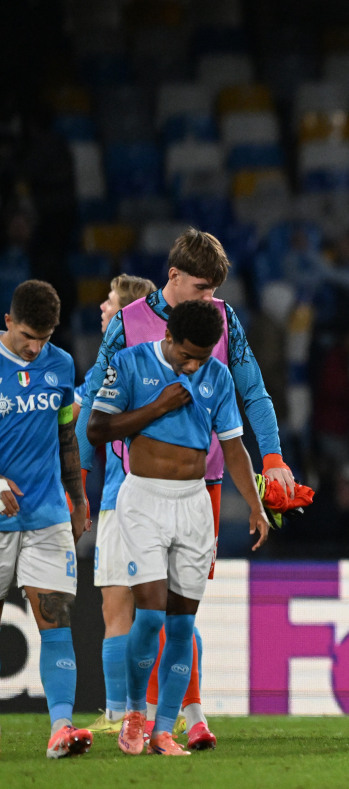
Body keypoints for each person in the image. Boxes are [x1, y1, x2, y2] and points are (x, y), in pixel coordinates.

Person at [75, 229, 293, 749]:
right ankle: (135, 713)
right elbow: (94, 413)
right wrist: (82, 484)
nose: (209, 300)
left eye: (215, 289)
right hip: (137, 484)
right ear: (172, 276)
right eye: (200, 288)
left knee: (182, 607)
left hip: (205, 483)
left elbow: (253, 391)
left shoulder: (224, 320)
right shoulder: (127, 328)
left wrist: (274, 456)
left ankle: (184, 715)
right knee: (139, 608)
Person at [0, 280, 92, 758]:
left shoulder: (60, 365)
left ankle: (61, 729)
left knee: (56, 618)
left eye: (45, 337)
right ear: (9, 321)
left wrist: (77, 497)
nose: (36, 348)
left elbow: (66, 437)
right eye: (27, 336)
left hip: (47, 515)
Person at [70, 274, 155, 737]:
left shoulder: (109, 368)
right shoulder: (170, 362)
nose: (103, 308)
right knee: (169, 612)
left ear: (127, 314)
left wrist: (78, 487)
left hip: (124, 502)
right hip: (165, 500)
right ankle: (171, 710)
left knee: (118, 609)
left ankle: (120, 713)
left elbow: (83, 429)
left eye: (110, 302)